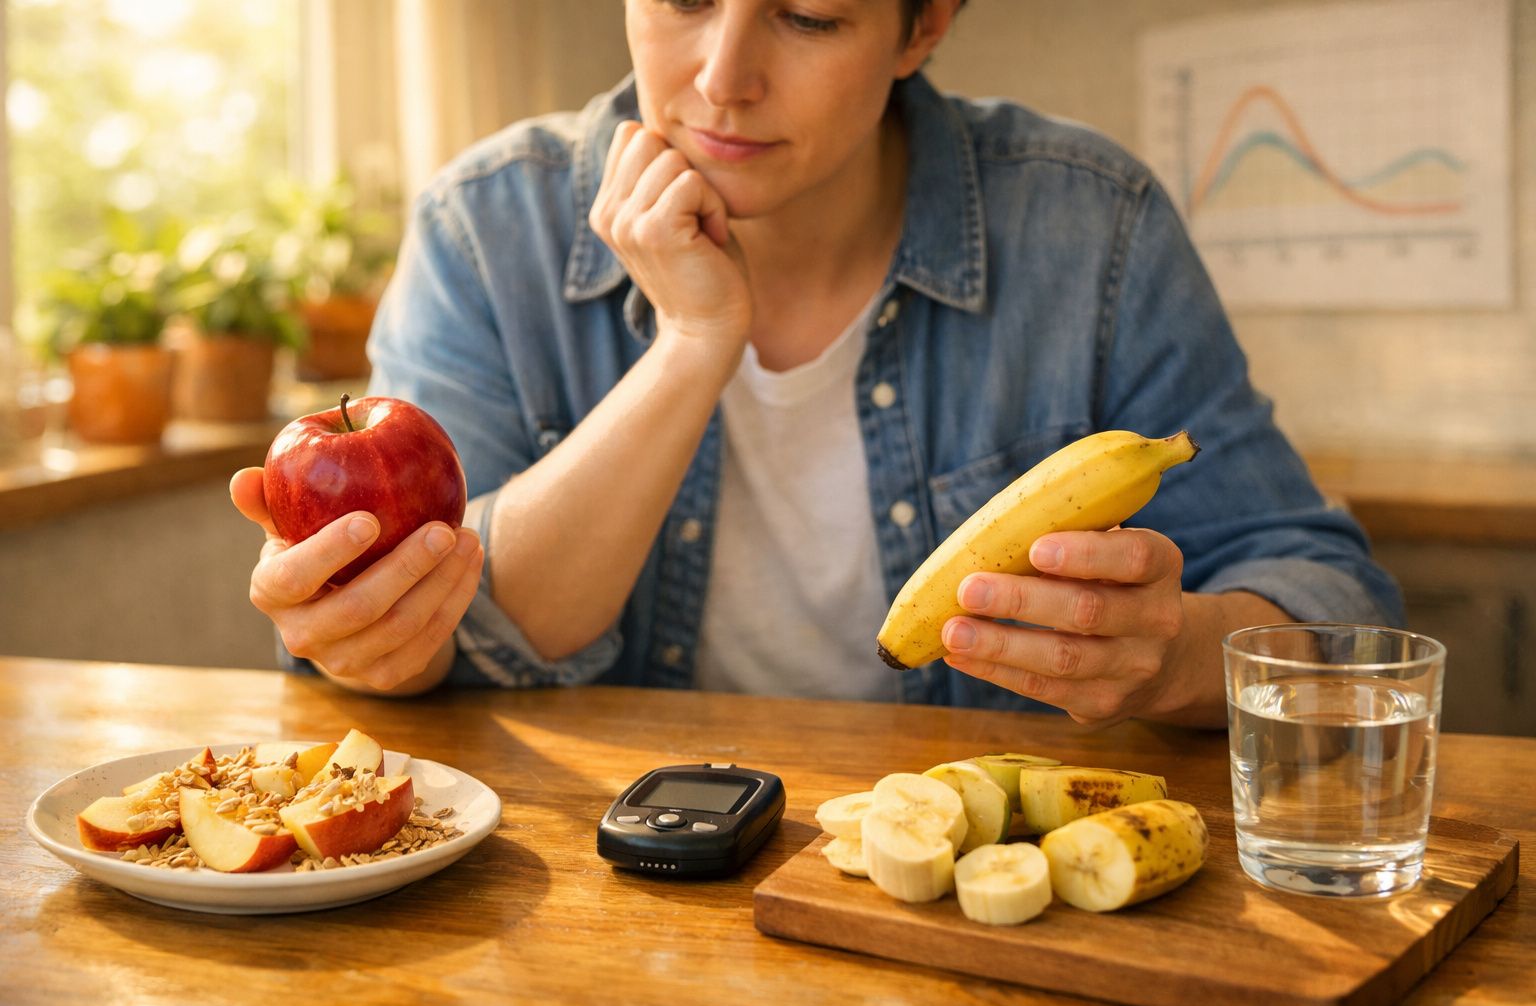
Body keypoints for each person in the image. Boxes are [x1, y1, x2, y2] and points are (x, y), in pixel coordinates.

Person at [230, 0, 1402, 728]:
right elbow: (466, 629)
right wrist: (694, 344)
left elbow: (1332, 604)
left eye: (807, 16)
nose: (721, 76)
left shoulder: (1089, 228)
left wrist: (1171, 663)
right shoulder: (489, 230)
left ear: (926, 23)